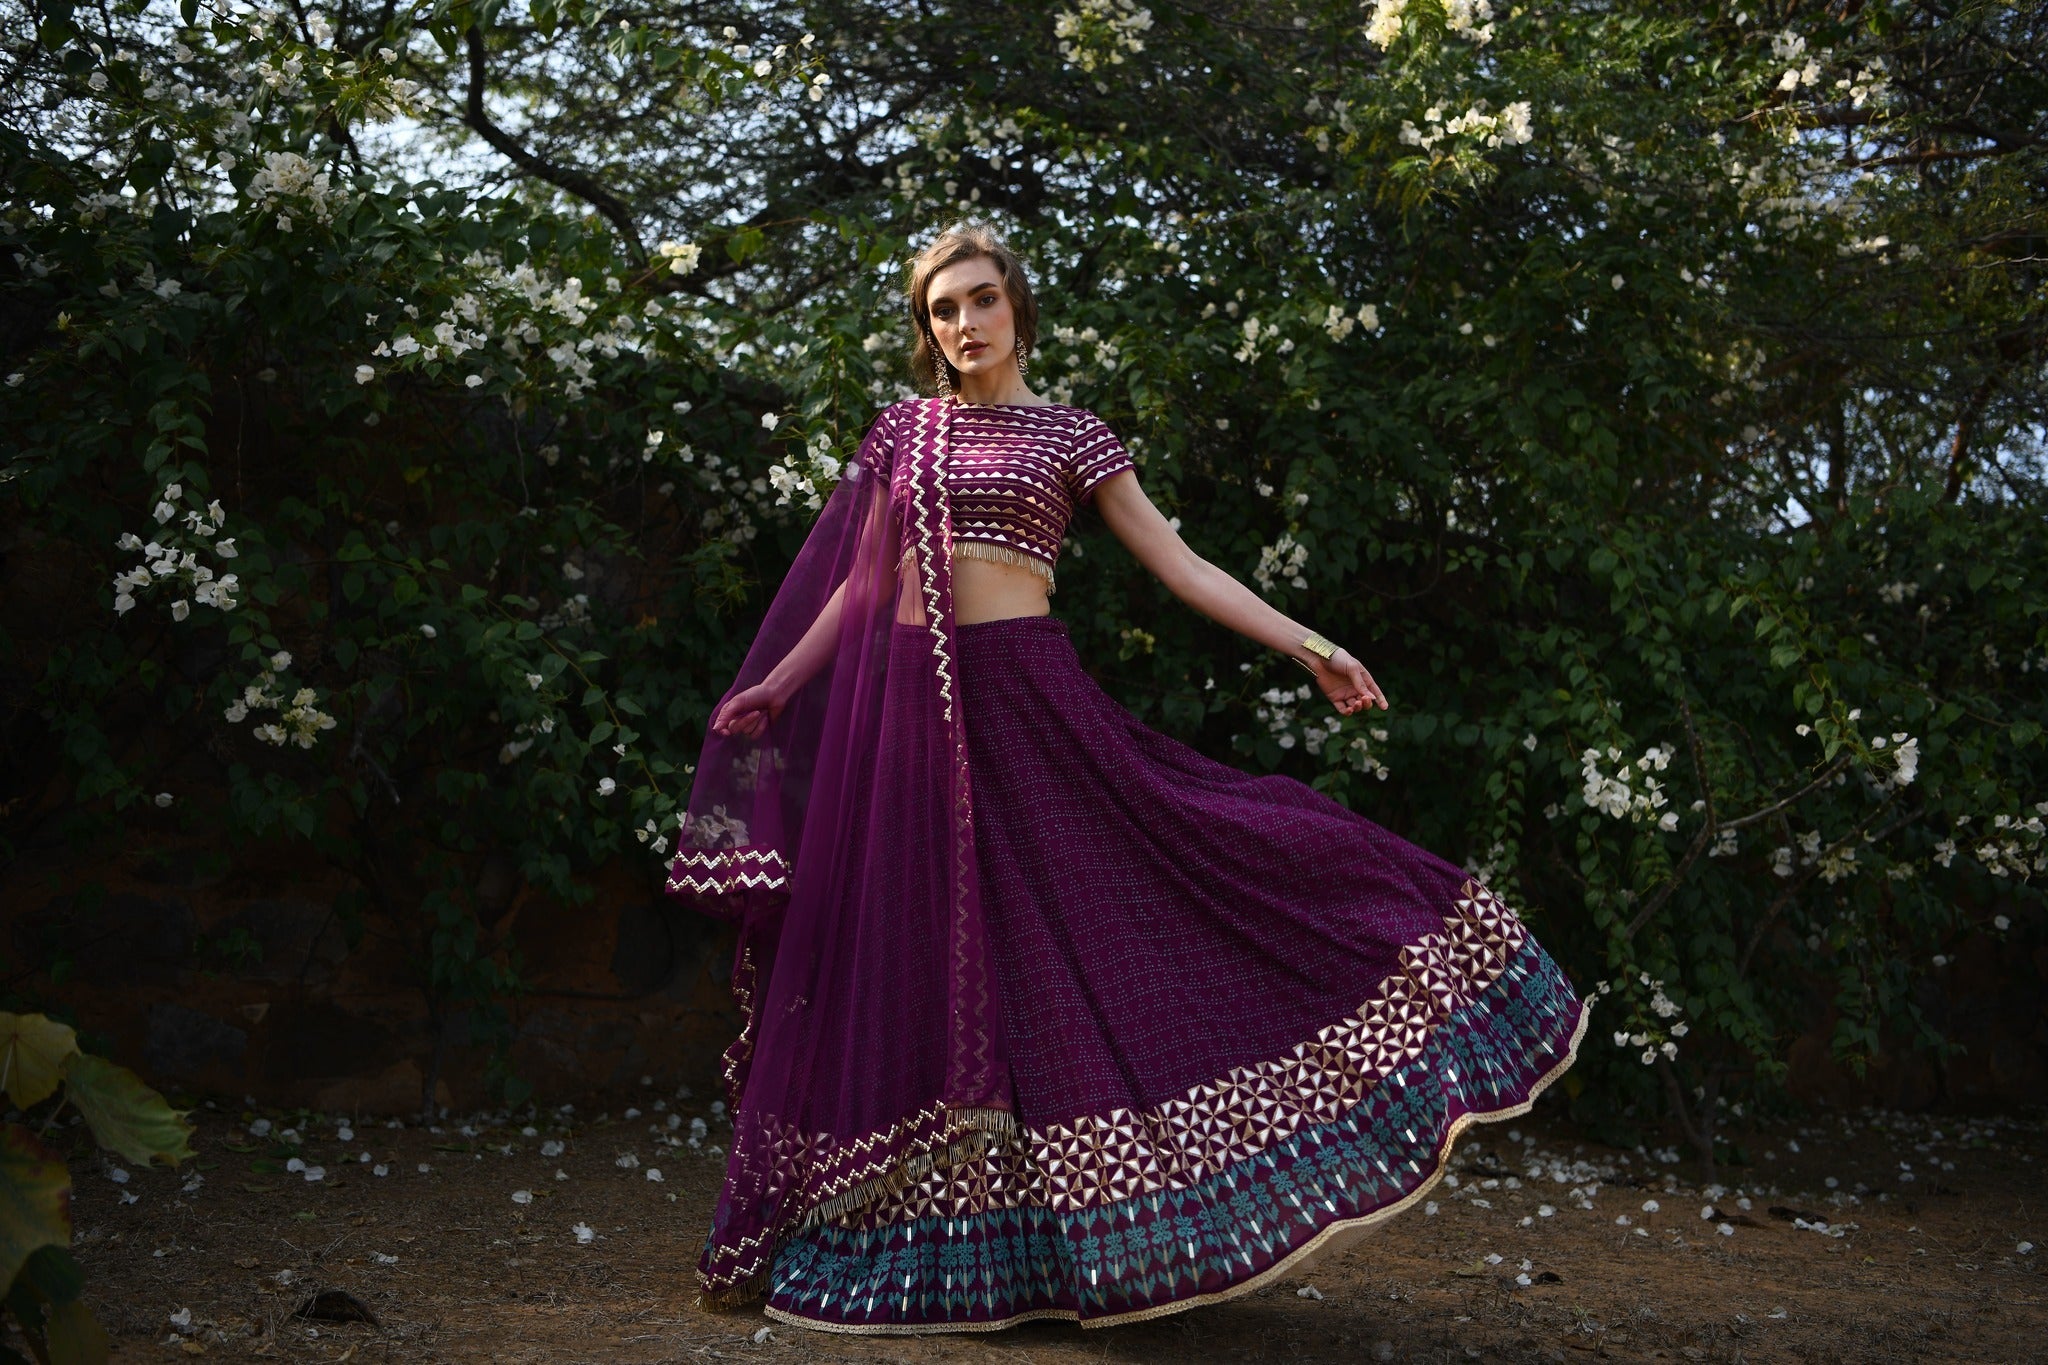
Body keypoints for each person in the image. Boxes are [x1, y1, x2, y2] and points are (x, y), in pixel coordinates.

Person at [665, 222, 1590, 1335]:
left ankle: (1099, 1241)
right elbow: (865, 587)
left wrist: (1310, 647)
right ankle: (936, 1250)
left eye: (978, 302)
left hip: (1028, 702)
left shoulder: (1071, 435)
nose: (961, 326)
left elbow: (1177, 561)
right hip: (912, 717)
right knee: (918, 962)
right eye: (940, 311)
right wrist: (780, 682)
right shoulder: (904, 433)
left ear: (1017, 309)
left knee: (1099, 926)